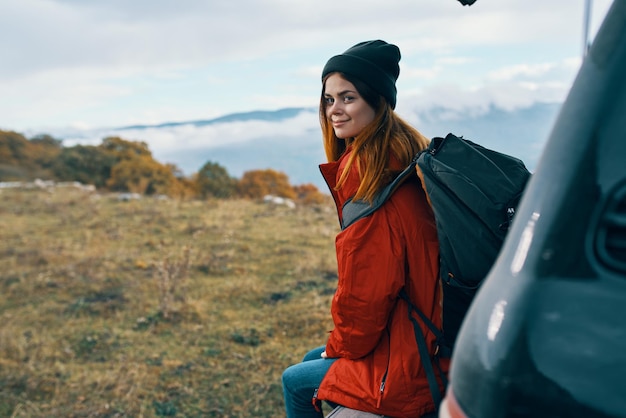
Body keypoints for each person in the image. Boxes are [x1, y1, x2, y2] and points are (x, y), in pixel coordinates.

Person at [281, 40, 448, 418]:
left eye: (347, 98)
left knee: (295, 380)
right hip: (420, 330)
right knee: (313, 358)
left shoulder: (375, 188)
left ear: (377, 101)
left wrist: (339, 346)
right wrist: (336, 348)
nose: (334, 111)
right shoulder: (407, 159)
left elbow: (365, 299)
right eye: (328, 99)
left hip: (410, 358)